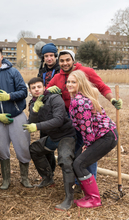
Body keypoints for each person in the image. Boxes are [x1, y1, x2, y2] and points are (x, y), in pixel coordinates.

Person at [46, 50, 123, 187]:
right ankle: (78, 180)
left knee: (88, 149)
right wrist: (49, 90)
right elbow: (45, 91)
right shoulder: (58, 77)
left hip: (85, 114)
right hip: (70, 117)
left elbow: (102, 87)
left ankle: (89, 182)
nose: (65, 63)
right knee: (76, 148)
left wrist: (112, 100)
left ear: (73, 60)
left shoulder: (86, 71)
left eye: (67, 60)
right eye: (62, 61)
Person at [0, 43, 32, 189]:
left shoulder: (13, 72)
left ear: (2, 56)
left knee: (22, 147)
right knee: (2, 149)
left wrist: (9, 96)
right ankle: (6, 180)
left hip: (17, 115)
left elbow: (23, 91)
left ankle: (24, 178)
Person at [67, 70, 118, 208]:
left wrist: (88, 144)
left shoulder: (80, 101)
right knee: (78, 161)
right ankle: (88, 195)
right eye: (69, 82)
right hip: (102, 135)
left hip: (106, 136)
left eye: (73, 82)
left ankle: (94, 199)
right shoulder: (77, 97)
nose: (69, 84)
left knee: (79, 163)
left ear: (80, 84)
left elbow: (86, 126)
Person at [23, 77, 76, 211]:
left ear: (44, 87)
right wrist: (34, 111)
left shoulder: (54, 98)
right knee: (34, 149)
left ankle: (69, 197)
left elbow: (58, 120)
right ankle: (47, 178)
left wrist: (37, 126)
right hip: (53, 137)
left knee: (65, 160)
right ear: (30, 90)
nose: (36, 90)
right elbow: (30, 122)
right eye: (33, 88)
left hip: (66, 136)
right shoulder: (33, 103)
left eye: (39, 87)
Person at [37, 43, 60, 174]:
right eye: (46, 56)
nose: (49, 58)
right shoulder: (42, 71)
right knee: (44, 143)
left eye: (51, 55)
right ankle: (48, 172)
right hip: (45, 111)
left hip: (59, 110)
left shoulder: (60, 69)